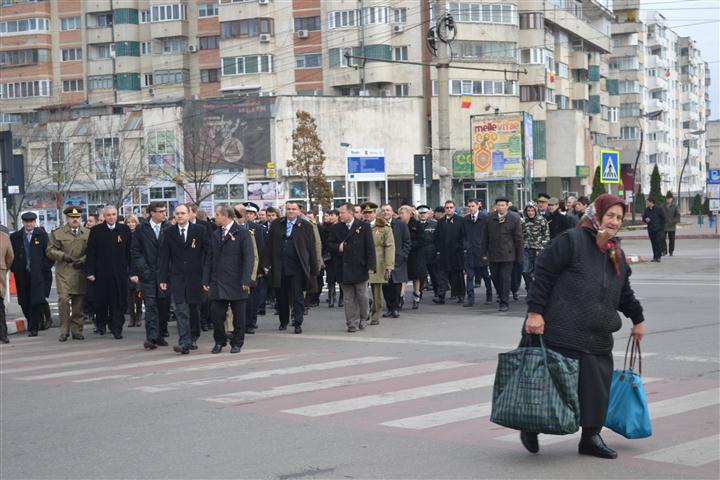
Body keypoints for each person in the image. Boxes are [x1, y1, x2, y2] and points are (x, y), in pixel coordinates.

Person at [522, 194, 645, 459]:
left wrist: (638, 319)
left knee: (596, 390)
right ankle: (530, 426)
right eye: (610, 215)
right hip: (562, 328)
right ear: (598, 215)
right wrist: (535, 313)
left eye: (619, 218)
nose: (614, 221)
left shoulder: (615, 252)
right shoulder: (573, 241)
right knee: (549, 385)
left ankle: (590, 437)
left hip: (598, 335)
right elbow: (543, 273)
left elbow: (624, 292)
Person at [203, 205, 254, 354]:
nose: (215, 217)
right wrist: (205, 279)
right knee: (216, 314)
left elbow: (248, 258)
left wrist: (246, 280)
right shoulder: (215, 233)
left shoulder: (242, 233)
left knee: (239, 316)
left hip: (237, 281)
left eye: (217, 215)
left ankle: (237, 342)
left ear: (226, 216)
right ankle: (219, 341)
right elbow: (209, 258)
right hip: (218, 281)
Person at [159, 204, 210, 354]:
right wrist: (163, 278)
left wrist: (206, 277)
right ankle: (184, 341)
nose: (180, 216)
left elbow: (207, 253)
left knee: (193, 310)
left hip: (196, 278)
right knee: (181, 309)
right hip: (177, 278)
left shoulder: (199, 231)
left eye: (182, 213)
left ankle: (193, 335)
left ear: (189, 215)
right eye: (177, 213)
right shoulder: (169, 232)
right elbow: (164, 257)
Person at [263, 201, 318, 334]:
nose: (291, 211)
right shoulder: (277, 224)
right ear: (285, 210)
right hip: (280, 266)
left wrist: (314, 268)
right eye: (288, 209)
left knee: (297, 296)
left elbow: (311, 248)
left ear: (299, 211)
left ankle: (297, 322)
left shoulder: (306, 226)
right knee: (281, 296)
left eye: (294, 209)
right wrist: (265, 264)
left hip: (297, 267)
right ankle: (283, 321)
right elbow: (268, 245)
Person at [85, 206, 133, 339]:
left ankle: (117, 328)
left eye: (114, 214)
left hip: (120, 273)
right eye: (109, 215)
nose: (112, 217)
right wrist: (90, 272)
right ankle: (101, 324)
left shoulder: (124, 230)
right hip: (101, 274)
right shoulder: (96, 231)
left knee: (118, 302)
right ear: (104, 217)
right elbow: (91, 253)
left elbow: (130, 252)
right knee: (101, 302)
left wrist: (132, 271)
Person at [328, 203, 376, 332]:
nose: (340, 215)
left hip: (360, 267)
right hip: (343, 268)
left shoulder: (363, 226)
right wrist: (339, 247)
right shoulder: (336, 228)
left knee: (362, 296)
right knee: (349, 298)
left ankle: (363, 317)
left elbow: (370, 248)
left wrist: (371, 266)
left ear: (350, 212)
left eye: (342, 212)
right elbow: (329, 245)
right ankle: (352, 323)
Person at [46, 206, 89, 342]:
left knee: (78, 302)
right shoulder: (58, 233)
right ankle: (64, 330)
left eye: (77, 217)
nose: (75, 220)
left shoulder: (87, 233)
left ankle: (77, 330)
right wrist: (63, 256)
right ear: (67, 218)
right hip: (64, 272)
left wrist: (82, 260)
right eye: (72, 218)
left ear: (80, 218)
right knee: (64, 300)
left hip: (80, 272)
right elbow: (49, 251)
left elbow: (92, 251)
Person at [131, 202, 171, 349]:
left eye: (164, 211)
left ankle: (160, 334)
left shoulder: (168, 228)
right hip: (147, 275)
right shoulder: (141, 228)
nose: (163, 214)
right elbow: (135, 251)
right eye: (160, 211)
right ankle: (151, 337)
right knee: (150, 306)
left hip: (164, 275)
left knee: (163, 307)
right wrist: (144, 270)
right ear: (152, 213)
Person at [10, 212, 53, 336]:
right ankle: (32, 320)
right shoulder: (15, 237)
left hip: (37, 274)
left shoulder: (42, 235)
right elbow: (11, 255)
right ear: (23, 223)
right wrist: (15, 268)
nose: (29, 224)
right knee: (24, 301)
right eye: (26, 222)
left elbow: (49, 254)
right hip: (21, 274)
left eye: (31, 222)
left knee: (35, 300)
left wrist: (43, 267)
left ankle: (33, 327)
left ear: (35, 222)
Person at [480, 197, 523, 312]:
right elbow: (485, 236)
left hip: (508, 254)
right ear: (496, 206)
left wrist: (519, 256)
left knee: (505, 278)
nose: (501, 207)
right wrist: (483, 252)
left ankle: (504, 302)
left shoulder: (514, 218)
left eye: (503, 205)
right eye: (499, 205)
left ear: (507, 206)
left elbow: (518, 238)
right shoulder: (490, 218)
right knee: (495, 277)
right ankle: (501, 293)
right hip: (493, 253)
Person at [360, 202, 395, 325]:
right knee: (361, 290)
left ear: (375, 213)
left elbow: (390, 246)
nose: (368, 215)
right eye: (365, 213)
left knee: (377, 292)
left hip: (378, 262)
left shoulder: (384, 227)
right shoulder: (360, 226)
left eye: (370, 213)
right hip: (362, 262)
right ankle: (364, 312)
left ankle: (376, 315)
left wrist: (389, 265)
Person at [380, 204, 410, 318]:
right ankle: (389, 308)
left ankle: (396, 308)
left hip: (398, 260)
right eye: (383, 210)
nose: (385, 212)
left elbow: (407, 242)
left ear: (392, 212)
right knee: (386, 286)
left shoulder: (400, 224)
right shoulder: (379, 225)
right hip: (383, 261)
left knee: (396, 286)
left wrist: (403, 255)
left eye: (388, 210)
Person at [433, 200, 465, 304]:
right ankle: (441, 296)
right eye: (447, 208)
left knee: (457, 275)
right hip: (444, 253)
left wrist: (461, 247)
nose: (449, 209)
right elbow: (436, 236)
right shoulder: (441, 221)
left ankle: (460, 295)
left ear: (454, 208)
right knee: (442, 275)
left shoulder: (460, 220)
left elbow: (464, 236)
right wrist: (438, 249)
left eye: (451, 207)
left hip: (456, 253)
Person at [462, 199, 492, 307]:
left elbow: (489, 234)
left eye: (472, 206)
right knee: (470, 276)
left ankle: (489, 295)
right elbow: (463, 235)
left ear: (478, 206)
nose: (471, 208)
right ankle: (470, 299)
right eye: (469, 206)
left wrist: (487, 250)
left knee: (485, 275)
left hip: (482, 251)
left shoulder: (485, 218)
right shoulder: (465, 220)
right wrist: (466, 246)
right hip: (470, 252)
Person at [399, 205, 425, 309]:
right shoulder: (398, 225)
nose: (401, 215)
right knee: (403, 277)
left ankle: (416, 295)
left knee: (416, 277)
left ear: (410, 214)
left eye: (403, 213)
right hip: (403, 254)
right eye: (400, 213)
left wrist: (410, 245)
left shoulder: (417, 225)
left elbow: (422, 240)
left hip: (415, 255)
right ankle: (401, 296)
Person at [521, 203, 549, 291]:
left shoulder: (542, 221)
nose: (530, 212)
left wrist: (541, 248)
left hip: (538, 249)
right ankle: (529, 287)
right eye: (528, 211)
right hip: (526, 249)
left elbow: (546, 236)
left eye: (532, 210)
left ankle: (536, 290)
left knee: (536, 272)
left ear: (536, 211)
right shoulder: (523, 221)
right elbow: (520, 236)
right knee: (525, 271)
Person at [124, 214, 143, 328]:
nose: (131, 224)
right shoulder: (124, 235)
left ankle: (139, 315)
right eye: (129, 222)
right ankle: (132, 317)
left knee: (138, 293)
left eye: (133, 222)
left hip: (138, 267)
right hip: (127, 267)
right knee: (129, 295)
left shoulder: (140, 235)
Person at [418, 205, 439, 297]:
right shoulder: (416, 224)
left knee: (434, 274)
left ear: (428, 214)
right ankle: (419, 293)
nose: (422, 215)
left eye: (424, 213)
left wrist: (437, 251)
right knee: (420, 275)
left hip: (431, 252)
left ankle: (437, 292)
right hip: (419, 253)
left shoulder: (434, 224)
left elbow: (438, 239)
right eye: (421, 213)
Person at [322, 209, 341, 307]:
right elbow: (323, 243)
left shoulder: (342, 227)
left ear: (337, 216)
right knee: (330, 279)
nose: (330, 217)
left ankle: (341, 299)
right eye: (329, 215)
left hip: (340, 256)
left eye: (332, 215)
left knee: (341, 279)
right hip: (330, 257)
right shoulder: (325, 228)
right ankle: (331, 298)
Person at [0, 229, 14, 343]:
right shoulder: (4, 237)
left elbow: (10, 256)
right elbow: (10, 257)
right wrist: (4, 268)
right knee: (0, 307)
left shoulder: (5, 237)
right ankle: (3, 335)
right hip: (0, 273)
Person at [643, 198, 666, 262]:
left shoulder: (659, 209)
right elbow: (644, 217)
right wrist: (646, 219)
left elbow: (663, 218)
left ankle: (658, 257)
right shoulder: (646, 210)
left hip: (658, 229)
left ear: (651, 202)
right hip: (650, 229)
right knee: (653, 243)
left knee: (658, 242)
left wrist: (662, 228)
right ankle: (655, 257)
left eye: (648, 202)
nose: (647, 203)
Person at [661, 192, 681, 256]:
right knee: (662, 238)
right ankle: (664, 251)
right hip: (663, 225)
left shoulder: (675, 206)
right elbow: (659, 215)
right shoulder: (662, 206)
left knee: (672, 240)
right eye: (667, 199)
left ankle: (671, 251)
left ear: (672, 199)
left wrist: (673, 221)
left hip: (672, 226)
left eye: (669, 198)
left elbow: (678, 216)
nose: (668, 200)